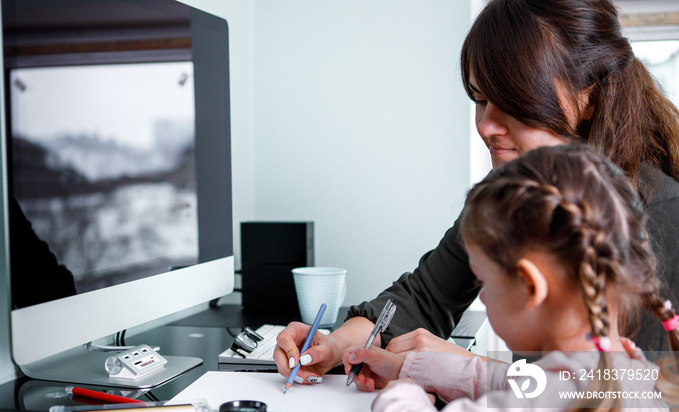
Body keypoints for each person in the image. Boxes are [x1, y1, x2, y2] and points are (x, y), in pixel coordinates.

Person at [274, 0, 679, 382]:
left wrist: (473, 372)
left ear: (588, 96)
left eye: (512, 100)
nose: (486, 125)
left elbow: (638, 406)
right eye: (480, 99)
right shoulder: (509, 194)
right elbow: (426, 296)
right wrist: (336, 344)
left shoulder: (662, 217)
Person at [344, 145, 678, 412]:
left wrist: (402, 396)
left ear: (531, 286)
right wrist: (414, 369)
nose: (483, 297)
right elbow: (521, 381)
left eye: (484, 281)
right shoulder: (623, 369)